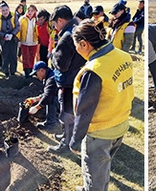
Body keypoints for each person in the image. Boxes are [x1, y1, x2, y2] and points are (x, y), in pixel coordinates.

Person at [68, 18, 134, 191]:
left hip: (100, 133)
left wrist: (75, 140)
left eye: (76, 45)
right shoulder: (123, 56)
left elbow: (85, 110)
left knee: (95, 172)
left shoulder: (94, 70)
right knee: (102, 167)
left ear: (83, 44)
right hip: (120, 124)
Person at [48, 5, 88, 153]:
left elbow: (62, 65)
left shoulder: (66, 37)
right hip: (78, 77)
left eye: (55, 24)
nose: (55, 27)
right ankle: (67, 135)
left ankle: (66, 144)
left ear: (60, 20)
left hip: (68, 80)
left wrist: (53, 55)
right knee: (72, 111)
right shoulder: (78, 29)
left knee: (66, 113)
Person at [25, 61, 58, 129]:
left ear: (42, 70)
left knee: (51, 100)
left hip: (67, 101)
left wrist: (36, 107)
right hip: (64, 99)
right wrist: (35, 99)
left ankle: (51, 124)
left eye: (36, 73)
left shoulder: (51, 79)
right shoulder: (50, 75)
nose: (36, 76)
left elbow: (48, 96)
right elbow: (49, 92)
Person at [0, 2, 21, 79]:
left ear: (9, 9)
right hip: (3, 40)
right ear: (0, 11)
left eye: (6, 10)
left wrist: (12, 34)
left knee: (13, 55)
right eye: (3, 10)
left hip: (13, 39)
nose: (5, 12)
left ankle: (13, 72)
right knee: (5, 56)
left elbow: (17, 26)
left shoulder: (14, 15)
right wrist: (4, 35)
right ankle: (6, 72)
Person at [18, 5, 40, 77]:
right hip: (24, 41)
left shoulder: (36, 19)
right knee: (25, 57)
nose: (30, 12)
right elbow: (19, 30)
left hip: (34, 42)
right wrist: (19, 40)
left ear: (35, 12)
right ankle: (26, 71)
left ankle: (31, 70)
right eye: (29, 10)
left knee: (32, 56)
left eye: (32, 11)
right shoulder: (22, 19)